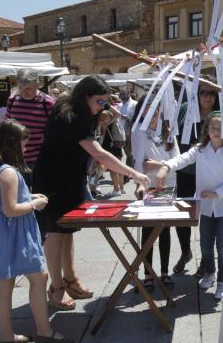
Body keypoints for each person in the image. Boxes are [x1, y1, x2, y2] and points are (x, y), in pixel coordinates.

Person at [32, 75, 151, 310]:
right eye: (99, 102)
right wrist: (134, 174)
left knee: (68, 231)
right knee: (55, 234)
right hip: (53, 181)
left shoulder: (84, 113)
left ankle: (71, 279)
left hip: (71, 178)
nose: (102, 107)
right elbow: (99, 153)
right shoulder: (71, 116)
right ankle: (56, 289)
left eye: (106, 103)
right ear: (85, 96)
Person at [0, 121, 73, 343]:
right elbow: (11, 209)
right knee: (39, 277)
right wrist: (34, 204)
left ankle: (7, 336)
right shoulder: (8, 172)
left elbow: (3, 201)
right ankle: (45, 332)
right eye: (23, 143)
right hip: (14, 230)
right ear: (12, 144)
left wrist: (28, 196)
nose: (26, 148)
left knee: (5, 282)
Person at [157, 111, 223, 300]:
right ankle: (209, 273)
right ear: (207, 130)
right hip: (204, 207)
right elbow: (182, 159)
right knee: (205, 245)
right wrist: (166, 167)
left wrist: (216, 193)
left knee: (222, 246)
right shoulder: (200, 150)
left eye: (220, 128)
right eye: (213, 127)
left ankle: (222, 282)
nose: (216, 131)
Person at [131, 96, 181, 291]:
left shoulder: (169, 131)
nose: (152, 115)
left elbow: (177, 160)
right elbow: (140, 162)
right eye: (148, 110)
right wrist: (139, 182)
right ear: (142, 111)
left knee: (165, 230)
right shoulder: (139, 132)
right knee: (148, 232)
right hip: (149, 185)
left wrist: (159, 164)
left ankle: (165, 272)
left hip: (168, 185)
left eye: (155, 110)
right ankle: (148, 274)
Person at [176, 84, 219, 277]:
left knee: (208, 217)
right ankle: (186, 251)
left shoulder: (220, 113)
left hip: (208, 173)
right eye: (203, 92)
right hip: (185, 170)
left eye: (211, 93)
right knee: (182, 215)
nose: (207, 97)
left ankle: (206, 259)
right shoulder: (186, 108)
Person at [6, 68, 55, 185]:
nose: (24, 92)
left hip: (39, 160)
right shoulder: (12, 100)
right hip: (16, 160)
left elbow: (56, 130)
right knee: (20, 199)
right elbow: (7, 126)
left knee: (40, 196)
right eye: (20, 88)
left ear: (37, 84)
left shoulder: (47, 102)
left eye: (28, 88)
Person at [117, 89, 137, 176]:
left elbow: (137, 116)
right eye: (121, 95)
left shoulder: (134, 104)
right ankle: (130, 170)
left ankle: (130, 171)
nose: (122, 96)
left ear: (128, 94)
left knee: (130, 152)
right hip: (122, 131)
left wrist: (127, 117)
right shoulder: (120, 105)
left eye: (123, 94)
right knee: (127, 152)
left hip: (131, 131)